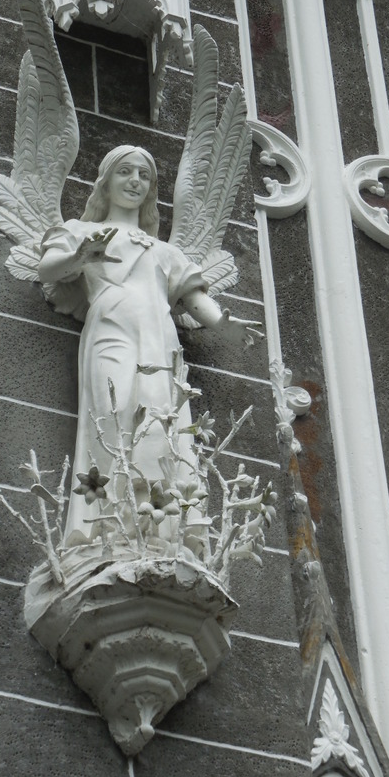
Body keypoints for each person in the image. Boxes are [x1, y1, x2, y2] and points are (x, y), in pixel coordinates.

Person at [38, 146, 256, 546]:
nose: (135, 181)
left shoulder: (165, 251)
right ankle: (106, 522)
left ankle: (159, 525)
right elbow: (47, 268)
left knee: (158, 419)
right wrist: (79, 256)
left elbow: (193, 297)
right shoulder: (82, 231)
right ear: (106, 181)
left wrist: (222, 324)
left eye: (143, 175)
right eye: (125, 172)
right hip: (111, 330)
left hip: (158, 339)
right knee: (114, 410)